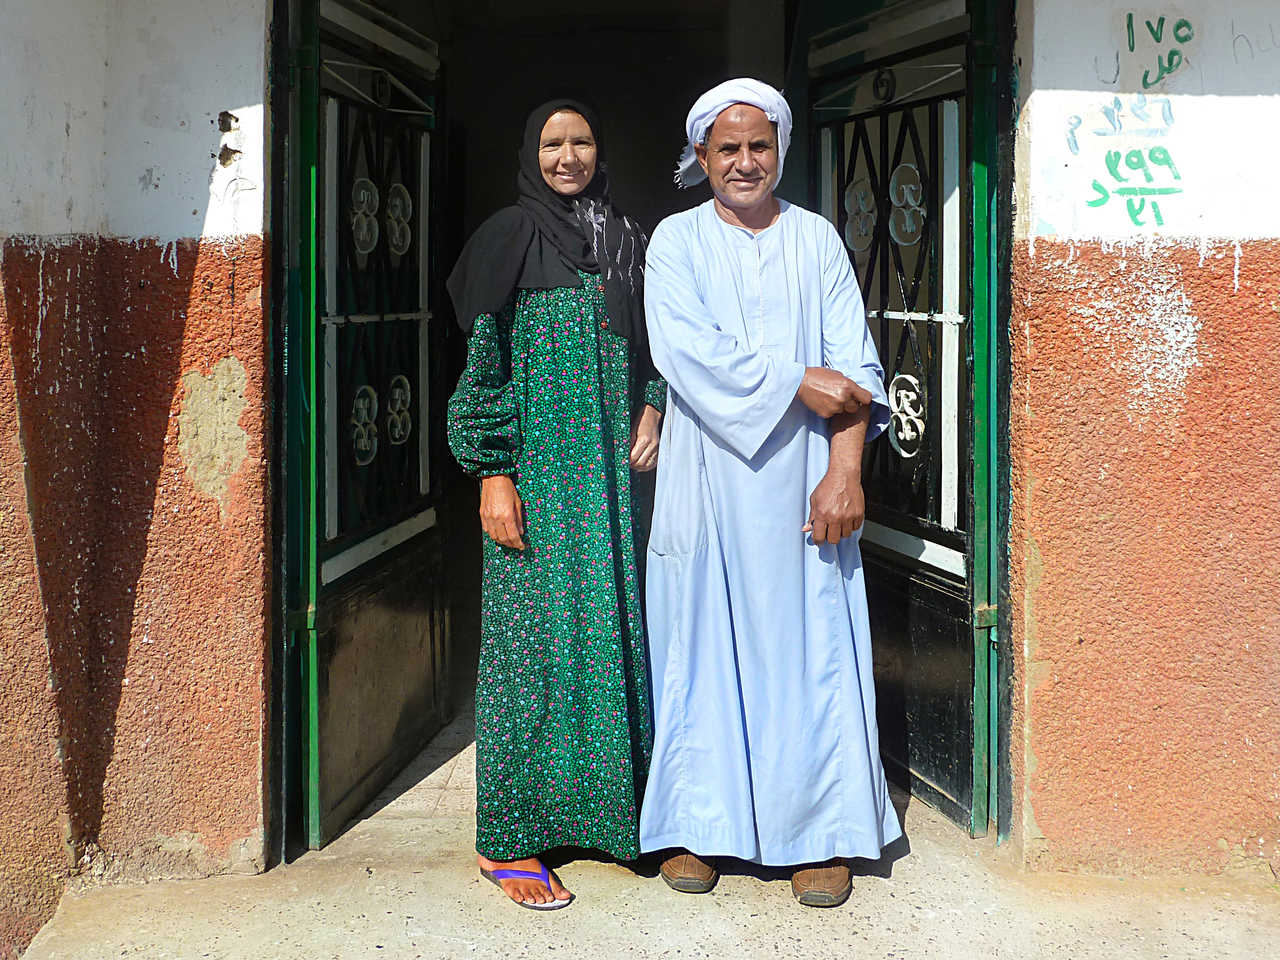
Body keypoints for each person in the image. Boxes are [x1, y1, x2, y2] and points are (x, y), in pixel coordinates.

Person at [638, 78, 902, 908]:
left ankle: (817, 831)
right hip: (706, 480)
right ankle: (699, 823)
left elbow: (854, 372)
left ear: (779, 150)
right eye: (728, 149)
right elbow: (688, 355)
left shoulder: (816, 240)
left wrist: (846, 473)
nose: (745, 163)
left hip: (803, 486)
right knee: (701, 647)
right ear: (702, 158)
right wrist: (797, 379)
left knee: (805, 652)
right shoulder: (674, 244)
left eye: (759, 146)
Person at [446, 99, 665, 910]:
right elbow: (484, 363)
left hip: (611, 483)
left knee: (608, 639)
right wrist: (491, 471)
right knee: (527, 655)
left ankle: (608, 818)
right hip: (534, 478)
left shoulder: (625, 240)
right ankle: (508, 841)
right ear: (529, 152)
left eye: (580, 142)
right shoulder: (510, 235)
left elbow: (655, 344)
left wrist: (654, 403)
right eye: (551, 143)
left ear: (599, 151)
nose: (567, 156)